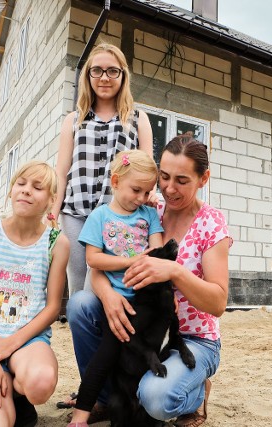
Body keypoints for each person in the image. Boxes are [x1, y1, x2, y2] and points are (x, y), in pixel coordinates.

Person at [66, 136, 232, 427]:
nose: (169, 188)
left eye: (181, 180)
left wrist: (176, 272)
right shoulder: (144, 208)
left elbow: (218, 302)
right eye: (164, 177)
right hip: (143, 326)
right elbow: (99, 264)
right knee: (80, 304)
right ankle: (105, 398)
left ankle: (195, 394)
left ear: (203, 179)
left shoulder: (212, 223)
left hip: (191, 338)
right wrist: (108, 296)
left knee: (155, 398)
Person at [0, 160, 70, 427]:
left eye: (37, 187)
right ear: (11, 191)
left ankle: (20, 395)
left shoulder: (57, 242)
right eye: (20, 184)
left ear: (50, 199)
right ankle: (8, 396)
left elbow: (53, 307)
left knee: (40, 383)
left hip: (28, 341)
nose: (26, 191)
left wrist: (9, 346)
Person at [67, 149, 163, 426]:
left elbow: (156, 253)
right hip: (119, 302)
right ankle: (81, 416)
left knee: (145, 358)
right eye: (136, 190)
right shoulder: (99, 216)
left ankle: (145, 406)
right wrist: (131, 260)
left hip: (146, 303)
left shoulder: (148, 215)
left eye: (147, 192)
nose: (141, 198)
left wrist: (152, 206)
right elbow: (93, 259)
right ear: (116, 180)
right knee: (104, 357)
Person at [52, 42, 154, 298]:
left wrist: (152, 196)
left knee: (103, 282)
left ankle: (106, 335)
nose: (104, 77)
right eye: (96, 71)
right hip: (75, 211)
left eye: (112, 71)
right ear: (88, 76)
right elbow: (62, 169)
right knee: (77, 283)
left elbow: (147, 166)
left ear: (122, 75)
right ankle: (83, 337)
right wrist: (52, 211)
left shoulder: (137, 118)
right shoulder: (73, 120)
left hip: (117, 214)